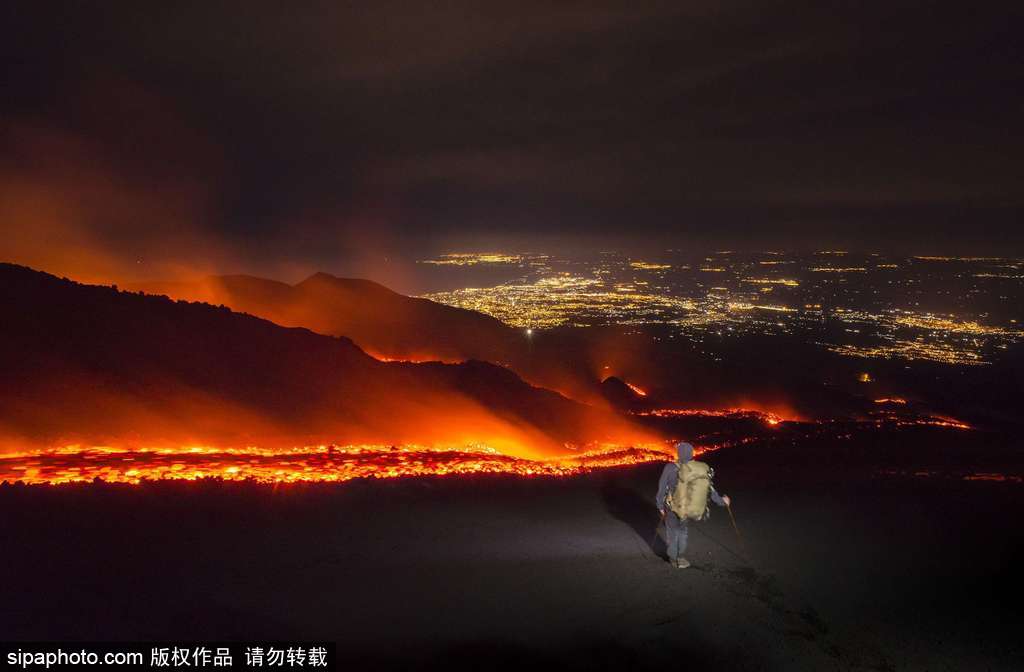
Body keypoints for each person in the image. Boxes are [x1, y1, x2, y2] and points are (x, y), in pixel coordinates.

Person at [655, 441, 731, 568]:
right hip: (687, 508)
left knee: (672, 532)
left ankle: (674, 559)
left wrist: (660, 506)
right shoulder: (699, 469)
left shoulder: (670, 467)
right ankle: (681, 557)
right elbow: (709, 490)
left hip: (672, 508)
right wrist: (722, 501)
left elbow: (662, 488)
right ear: (691, 453)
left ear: (679, 453)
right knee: (682, 532)